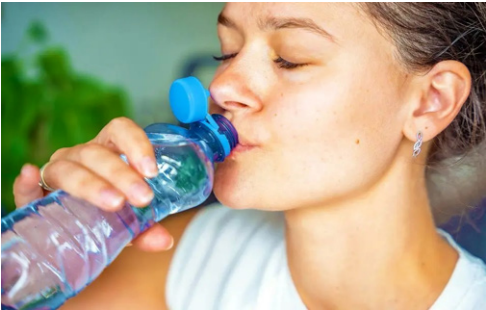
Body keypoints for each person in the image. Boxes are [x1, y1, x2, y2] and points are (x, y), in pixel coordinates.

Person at [13, 3, 486, 309]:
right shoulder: (190, 258)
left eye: (290, 58)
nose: (221, 88)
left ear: (431, 102)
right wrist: (46, 241)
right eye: (228, 52)